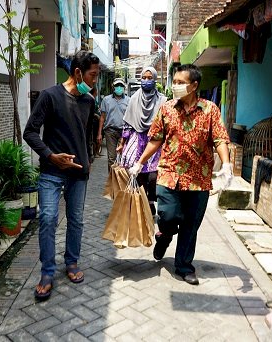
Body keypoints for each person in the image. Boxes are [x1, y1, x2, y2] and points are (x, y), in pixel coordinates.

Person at [129, 64, 233, 286]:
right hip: (168, 174)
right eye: (174, 82)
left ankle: (184, 266)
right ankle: (164, 235)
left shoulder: (210, 110)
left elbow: (220, 139)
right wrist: (139, 163)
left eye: (180, 82)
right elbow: (155, 139)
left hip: (199, 178)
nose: (175, 86)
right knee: (168, 215)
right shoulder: (166, 109)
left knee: (190, 225)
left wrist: (226, 165)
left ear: (194, 85)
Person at [23, 51, 100, 301]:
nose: (95, 80)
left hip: (78, 174)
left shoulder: (89, 101)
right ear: (78, 72)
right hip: (52, 172)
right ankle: (47, 272)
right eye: (93, 75)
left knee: (76, 220)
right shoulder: (49, 96)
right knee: (47, 218)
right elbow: (31, 132)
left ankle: (72, 262)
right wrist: (50, 155)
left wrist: (87, 160)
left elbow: (86, 134)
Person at [117, 67, 167, 215]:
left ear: (155, 79)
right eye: (143, 78)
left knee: (153, 175)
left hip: (155, 141)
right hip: (136, 139)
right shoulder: (133, 99)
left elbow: (166, 124)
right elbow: (127, 124)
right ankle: (137, 205)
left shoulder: (163, 100)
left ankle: (150, 202)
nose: (146, 81)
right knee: (136, 173)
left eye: (149, 78)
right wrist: (122, 143)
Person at [97, 78, 130, 171]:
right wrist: (99, 133)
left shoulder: (129, 100)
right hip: (110, 131)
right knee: (111, 158)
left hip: (124, 132)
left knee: (123, 157)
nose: (119, 88)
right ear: (113, 87)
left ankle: (120, 180)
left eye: (121, 86)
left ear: (124, 87)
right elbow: (102, 117)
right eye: (117, 86)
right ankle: (112, 180)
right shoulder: (106, 100)